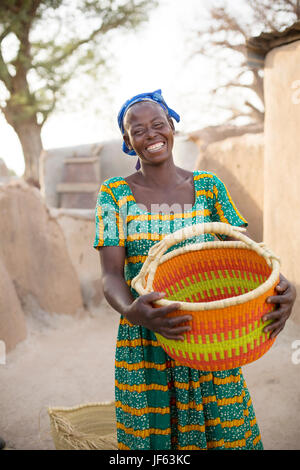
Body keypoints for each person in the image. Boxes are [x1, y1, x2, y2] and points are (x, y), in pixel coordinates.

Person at [93, 89, 296, 450]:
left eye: (158, 124)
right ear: (127, 142)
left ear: (172, 127)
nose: (150, 134)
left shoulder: (208, 187)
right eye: (137, 130)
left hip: (210, 335)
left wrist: (280, 286)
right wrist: (133, 312)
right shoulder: (114, 195)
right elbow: (111, 274)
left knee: (228, 437)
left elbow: (243, 257)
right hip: (148, 341)